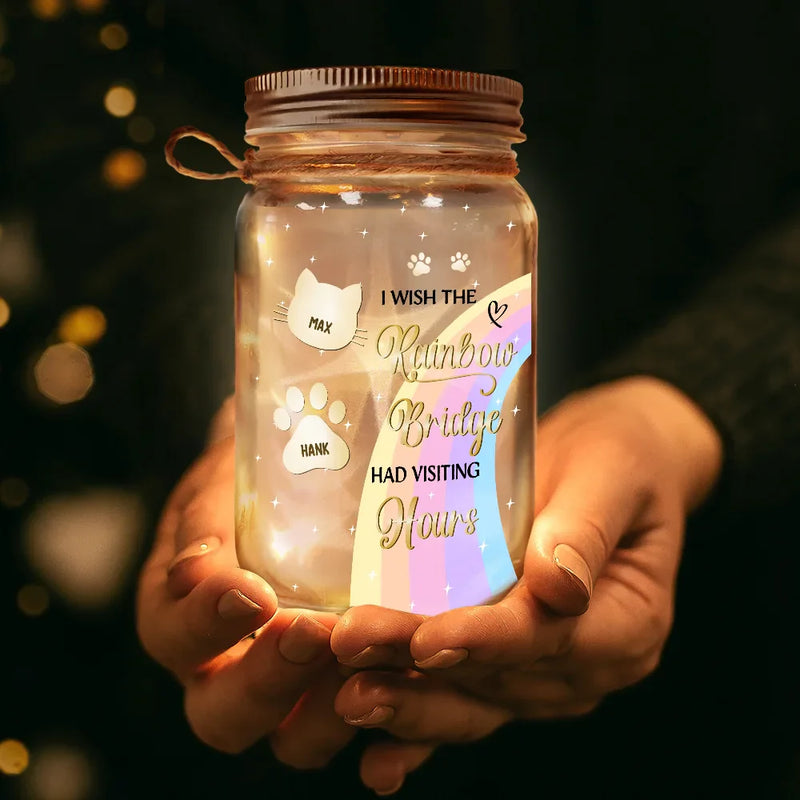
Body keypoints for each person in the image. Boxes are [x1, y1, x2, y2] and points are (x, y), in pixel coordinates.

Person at [137, 208, 800, 796]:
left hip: (722, 658)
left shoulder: (501, 215)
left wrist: (669, 418)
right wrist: (248, 413)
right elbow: (110, 158)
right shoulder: (274, 215)